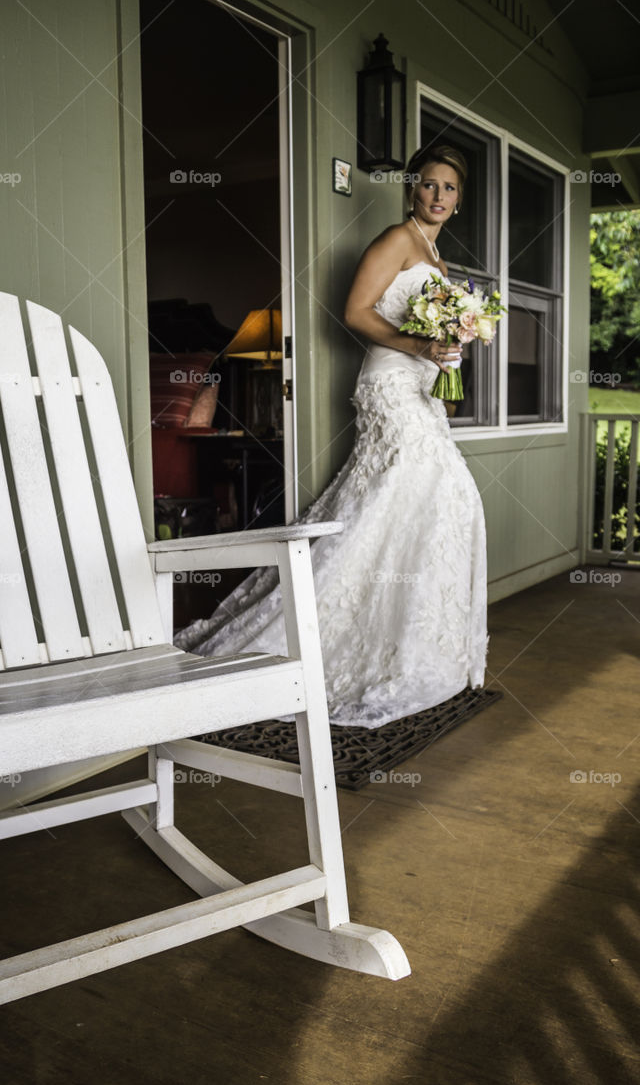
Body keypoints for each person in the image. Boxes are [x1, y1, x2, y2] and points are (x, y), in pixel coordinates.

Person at [174, 143, 488, 729]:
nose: (438, 196)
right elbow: (356, 311)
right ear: (411, 189)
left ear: (458, 200)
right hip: (391, 387)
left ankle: (411, 642)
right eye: (428, 185)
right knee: (426, 496)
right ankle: (306, 646)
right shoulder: (398, 238)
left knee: (424, 507)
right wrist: (421, 345)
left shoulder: (434, 255)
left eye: (449, 188)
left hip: (422, 388)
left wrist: (448, 348)